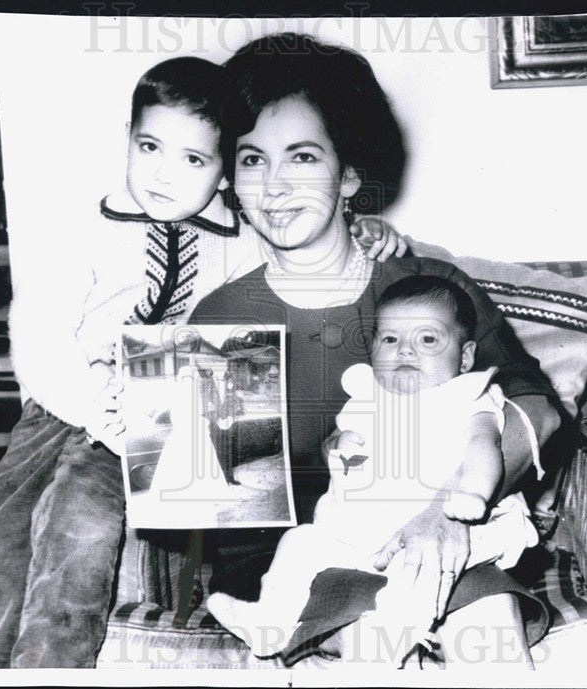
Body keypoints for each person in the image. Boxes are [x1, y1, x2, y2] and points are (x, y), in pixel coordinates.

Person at [0, 55, 406, 668]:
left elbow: (307, 248)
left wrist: (369, 230)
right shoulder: (85, 229)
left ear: (222, 175)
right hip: (60, 414)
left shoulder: (245, 239)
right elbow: (36, 333)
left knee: (75, 549)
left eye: (193, 159)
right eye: (149, 146)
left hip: (159, 420)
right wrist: (90, 405)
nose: (164, 173)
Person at [188, 33, 564, 667]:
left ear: (349, 174)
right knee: (376, 639)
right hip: (299, 572)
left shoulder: (426, 290)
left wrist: (450, 512)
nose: (275, 186)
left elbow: (540, 409)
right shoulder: (223, 318)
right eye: (252, 160)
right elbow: (221, 516)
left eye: (302, 157)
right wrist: (152, 435)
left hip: (447, 540)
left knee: (489, 631)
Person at [206, 275, 544, 665]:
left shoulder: (464, 397)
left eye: (428, 340)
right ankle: (269, 622)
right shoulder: (367, 396)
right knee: (298, 544)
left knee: (414, 579)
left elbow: (484, 448)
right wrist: (339, 445)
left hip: (432, 531)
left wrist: (472, 494)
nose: (406, 351)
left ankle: (403, 626)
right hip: (355, 535)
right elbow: (340, 457)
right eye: (390, 340)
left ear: (465, 357)